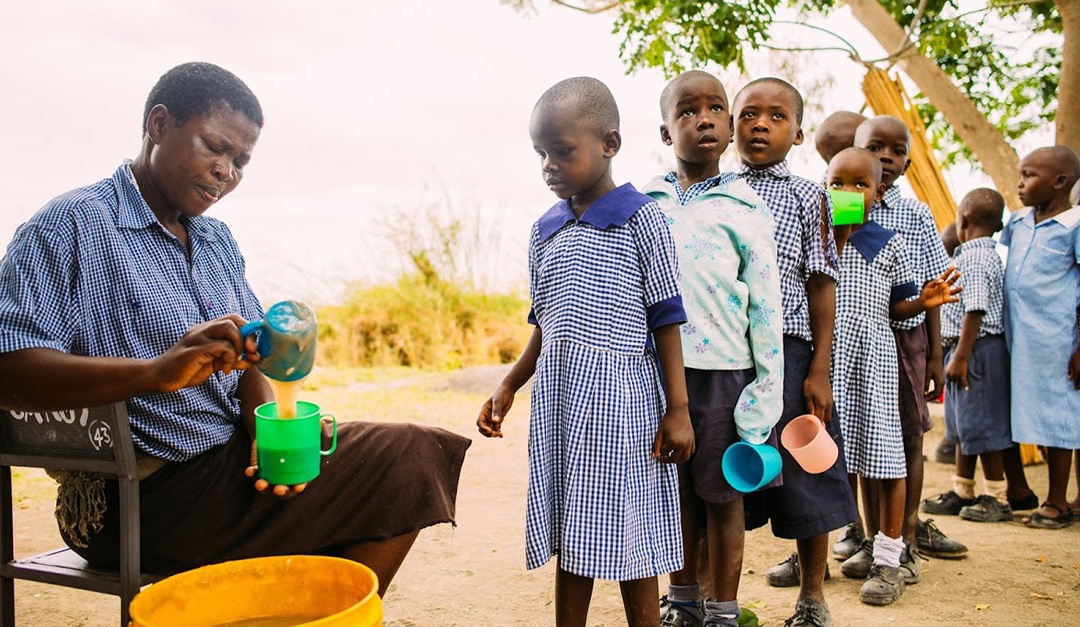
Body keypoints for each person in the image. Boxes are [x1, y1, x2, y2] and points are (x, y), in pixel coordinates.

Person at [0, 62, 470, 597]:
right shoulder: (70, 226)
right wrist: (155, 373)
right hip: (135, 497)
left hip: (227, 471)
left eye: (241, 160)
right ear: (158, 124)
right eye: (214, 148)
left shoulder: (216, 240)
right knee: (408, 454)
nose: (227, 171)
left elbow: (249, 357)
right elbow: (11, 372)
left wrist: (266, 431)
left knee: (393, 462)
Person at [475, 76, 694, 627]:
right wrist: (509, 383)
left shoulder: (642, 218)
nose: (549, 165)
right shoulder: (544, 230)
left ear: (610, 145)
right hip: (561, 404)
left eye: (562, 151)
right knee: (574, 522)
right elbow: (544, 324)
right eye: (540, 154)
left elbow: (666, 320)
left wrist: (679, 409)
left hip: (624, 404)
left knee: (631, 526)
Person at [642, 70, 784, 627]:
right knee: (674, 494)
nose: (702, 118)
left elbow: (766, 305)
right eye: (685, 111)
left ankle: (724, 611)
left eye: (715, 109)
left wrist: (765, 388)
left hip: (727, 372)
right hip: (657, 373)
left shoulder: (746, 208)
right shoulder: (645, 203)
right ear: (664, 131)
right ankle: (683, 600)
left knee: (723, 494)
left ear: (728, 127)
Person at [724, 78, 856, 627]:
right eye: (748, 114)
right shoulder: (716, 191)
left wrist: (819, 367)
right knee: (724, 473)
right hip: (729, 356)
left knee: (807, 472)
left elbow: (823, 280)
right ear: (732, 127)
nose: (760, 124)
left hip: (793, 350)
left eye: (777, 116)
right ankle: (714, 598)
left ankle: (812, 596)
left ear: (798, 133)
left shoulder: (812, 197)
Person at [826, 147, 961, 606]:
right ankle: (837, 549)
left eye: (859, 185)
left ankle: (889, 556)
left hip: (875, 364)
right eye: (836, 183)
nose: (846, 192)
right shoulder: (819, 239)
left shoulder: (891, 242)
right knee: (831, 460)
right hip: (829, 368)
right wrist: (837, 238)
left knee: (886, 458)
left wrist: (922, 303)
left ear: (879, 192)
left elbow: (899, 311)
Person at [851, 116, 967, 575]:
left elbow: (931, 287)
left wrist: (936, 353)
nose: (885, 158)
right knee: (863, 438)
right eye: (874, 147)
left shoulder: (914, 213)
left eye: (895, 151)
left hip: (907, 337)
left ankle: (907, 534)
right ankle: (867, 534)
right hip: (857, 339)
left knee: (905, 438)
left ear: (907, 162)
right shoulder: (841, 206)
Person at [922, 188, 1033, 523]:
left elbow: (976, 309)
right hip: (966, 351)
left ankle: (996, 496)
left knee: (983, 425)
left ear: (963, 220)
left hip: (978, 352)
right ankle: (963, 489)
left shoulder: (975, 258)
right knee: (965, 424)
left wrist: (961, 357)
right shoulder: (977, 255)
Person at [1001, 146, 1080, 529]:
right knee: (1033, 414)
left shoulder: (1074, 226)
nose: (1020, 183)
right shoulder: (1018, 222)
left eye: (1029, 176)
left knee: (1060, 418)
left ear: (1060, 182)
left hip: (1058, 338)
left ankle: (1058, 501)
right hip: (1021, 337)